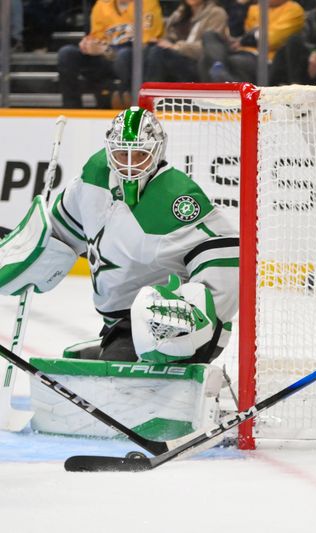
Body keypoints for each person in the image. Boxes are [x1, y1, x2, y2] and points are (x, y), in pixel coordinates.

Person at [0, 108, 239, 364]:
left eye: (139, 154)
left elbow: (225, 255)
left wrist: (193, 318)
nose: (128, 162)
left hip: (165, 325)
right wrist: (29, 251)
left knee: (115, 386)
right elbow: (62, 232)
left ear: (158, 151)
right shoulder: (95, 175)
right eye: (120, 152)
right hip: (117, 324)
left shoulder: (177, 198)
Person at [57, 0, 164, 108]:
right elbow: (97, 38)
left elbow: (145, 44)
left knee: (124, 55)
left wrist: (106, 50)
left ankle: (130, 104)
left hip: (133, 59)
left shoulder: (147, 3)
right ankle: (71, 110)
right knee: (66, 54)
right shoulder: (102, 4)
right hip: (105, 57)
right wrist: (88, 45)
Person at [202, 0, 305, 82]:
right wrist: (240, 4)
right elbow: (235, 34)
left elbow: (270, 39)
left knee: (210, 61)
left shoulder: (294, 9)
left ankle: (225, 80)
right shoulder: (254, 8)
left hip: (263, 57)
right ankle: (219, 66)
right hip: (240, 51)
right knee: (209, 36)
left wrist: (245, 39)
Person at [144, 0, 229, 83]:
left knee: (158, 53)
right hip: (179, 60)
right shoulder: (180, 13)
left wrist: (177, 47)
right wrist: (161, 42)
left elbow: (211, 47)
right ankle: (138, 93)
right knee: (145, 51)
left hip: (199, 65)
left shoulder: (216, 13)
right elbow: (171, 36)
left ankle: (151, 94)